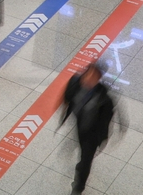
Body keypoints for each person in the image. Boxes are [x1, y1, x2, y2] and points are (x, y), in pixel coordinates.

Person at [61, 61, 118, 195]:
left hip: (92, 134)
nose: (88, 79)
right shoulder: (75, 82)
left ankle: (78, 187)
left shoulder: (105, 99)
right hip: (80, 125)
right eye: (88, 74)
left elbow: (105, 122)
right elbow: (67, 97)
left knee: (85, 161)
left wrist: (100, 139)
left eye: (93, 77)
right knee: (81, 146)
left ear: (98, 79)